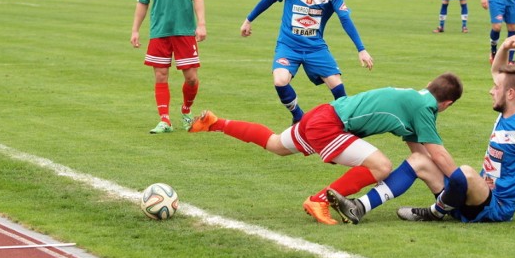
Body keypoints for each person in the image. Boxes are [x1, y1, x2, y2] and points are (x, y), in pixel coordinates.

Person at [327, 30, 515, 226]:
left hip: (494, 207)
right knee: (418, 159)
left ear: (510, 94)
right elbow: (497, 71)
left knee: (464, 172)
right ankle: (359, 207)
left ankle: (434, 212)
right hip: (471, 198)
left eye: (495, 89)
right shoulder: (507, 110)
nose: (490, 90)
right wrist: (506, 47)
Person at [189, 73, 463, 225]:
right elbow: (435, 153)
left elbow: (420, 155)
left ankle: (216, 123)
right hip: (331, 125)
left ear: (428, 85)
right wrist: (458, 183)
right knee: (381, 166)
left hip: (324, 114)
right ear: (447, 104)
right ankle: (319, 199)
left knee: (275, 144)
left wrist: (442, 190)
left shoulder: (413, 98)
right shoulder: (425, 108)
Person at [240, 0, 373, 124]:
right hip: (289, 45)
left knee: (337, 85)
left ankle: (345, 123)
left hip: (315, 48)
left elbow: (345, 20)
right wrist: (248, 20)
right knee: (280, 81)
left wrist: (361, 49)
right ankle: (298, 116)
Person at [130, 0, 207, 134]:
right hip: (159, 31)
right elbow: (143, 1)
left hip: (184, 31)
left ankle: (186, 110)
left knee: (191, 78)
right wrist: (135, 29)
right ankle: (165, 120)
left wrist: (201, 24)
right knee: (160, 75)